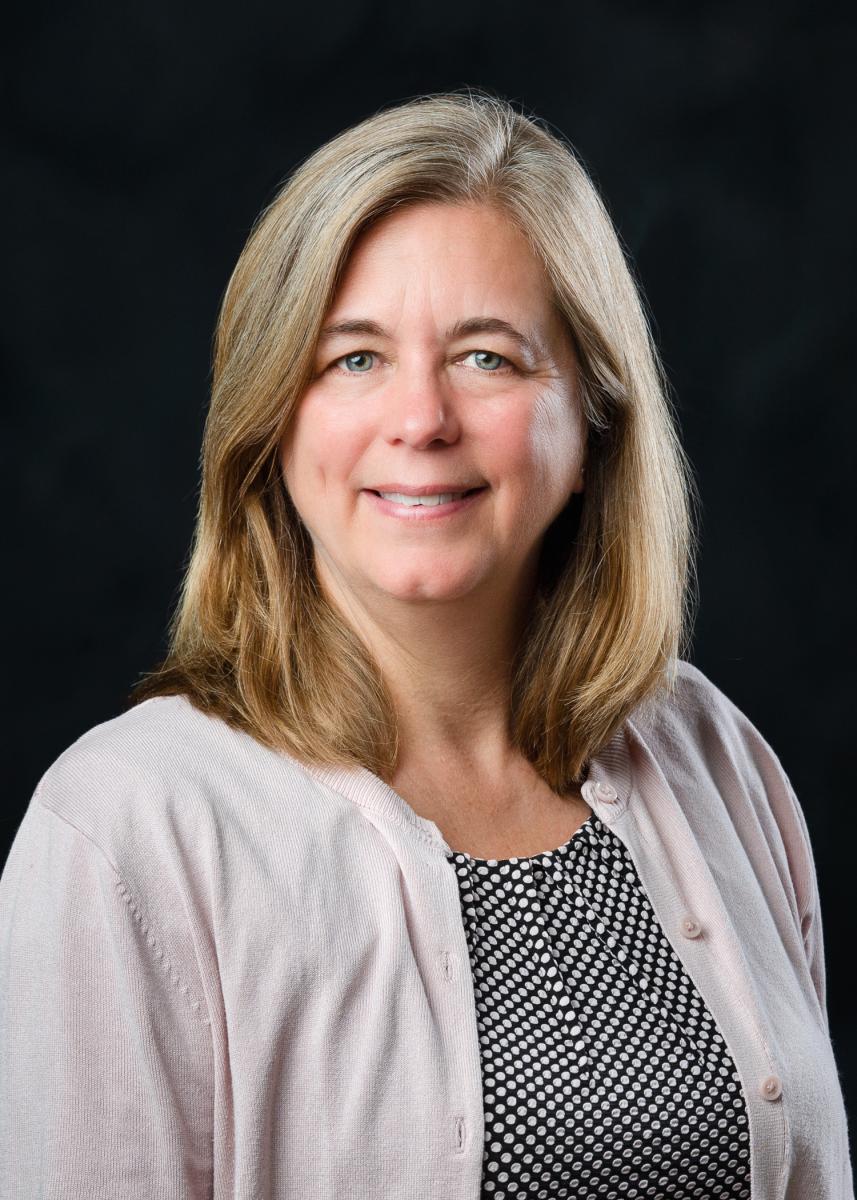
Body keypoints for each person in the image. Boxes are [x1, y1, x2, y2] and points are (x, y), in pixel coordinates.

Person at [0, 89, 852, 1200]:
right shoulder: (128, 828)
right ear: (271, 422)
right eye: (351, 359)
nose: (420, 420)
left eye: (487, 358)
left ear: (593, 420)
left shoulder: (706, 753)